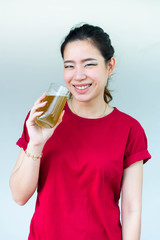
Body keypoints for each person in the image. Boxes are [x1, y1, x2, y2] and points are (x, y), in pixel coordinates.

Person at [9, 24, 151, 240]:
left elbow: (131, 209)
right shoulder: (43, 118)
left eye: (89, 64)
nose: (78, 76)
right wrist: (36, 143)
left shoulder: (130, 130)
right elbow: (19, 196)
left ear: (110, 66)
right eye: (69, 66)